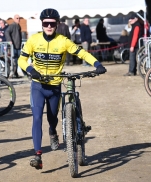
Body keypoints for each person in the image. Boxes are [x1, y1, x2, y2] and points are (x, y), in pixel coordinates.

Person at [18, 8, 106, 170]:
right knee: (37, 118)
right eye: (46, 23)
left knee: (52, 119)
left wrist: (97, 64)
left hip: (55, 86)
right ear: (42, 24)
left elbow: (82, 53)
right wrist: (31, 70)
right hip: (37, 86)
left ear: (57, 24)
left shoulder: (63, 41)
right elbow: (22, 60)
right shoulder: (34, 40)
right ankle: (37, 155)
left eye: (52, 23)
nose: (49, 26)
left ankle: (53, 132)